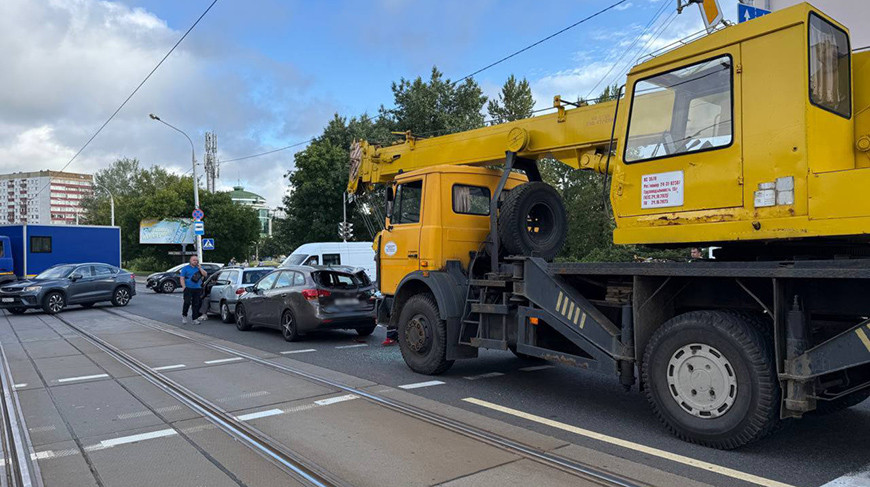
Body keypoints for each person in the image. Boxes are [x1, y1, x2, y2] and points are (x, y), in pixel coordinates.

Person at [180, 255, 207, 324]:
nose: (195, 261)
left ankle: (195, 318)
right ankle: (184, 315)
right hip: (188, 288)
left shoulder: (198, 268)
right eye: (194, 260)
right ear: (190, 261)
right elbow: (182, 278)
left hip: (197, 288)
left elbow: (205, 274)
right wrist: (184, 287)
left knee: (196, 304)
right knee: (187, 302)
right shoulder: (185, 268)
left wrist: (200, 268)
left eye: (196, 260)